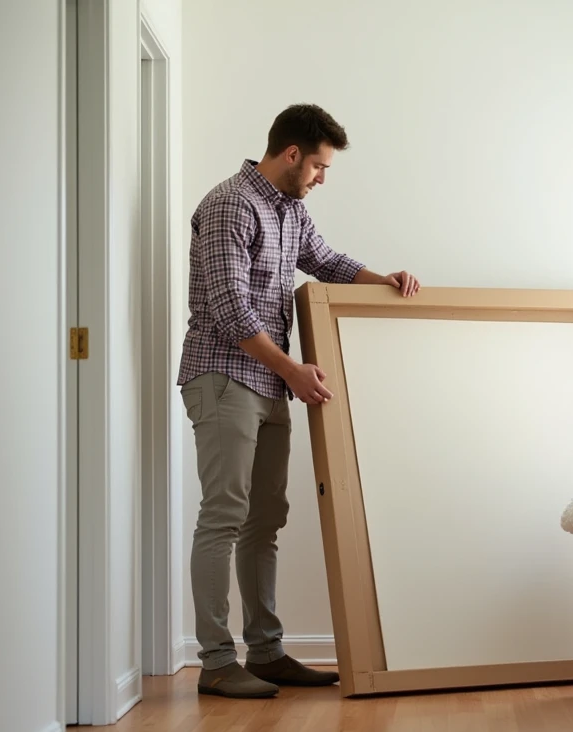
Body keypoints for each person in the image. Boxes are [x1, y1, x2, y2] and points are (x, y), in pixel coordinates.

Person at [177, 104, 421, 698]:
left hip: (270, 382)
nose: (320, 177)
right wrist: (293, 370)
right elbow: (231, 309)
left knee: (265, 520)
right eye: (318, 165)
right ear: (291, 154)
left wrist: (383, 279)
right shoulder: (231, 204)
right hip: (223, 374)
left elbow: (326, 261)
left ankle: (265, 652)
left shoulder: (290, 210)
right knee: (224, 515)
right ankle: (215, 661)